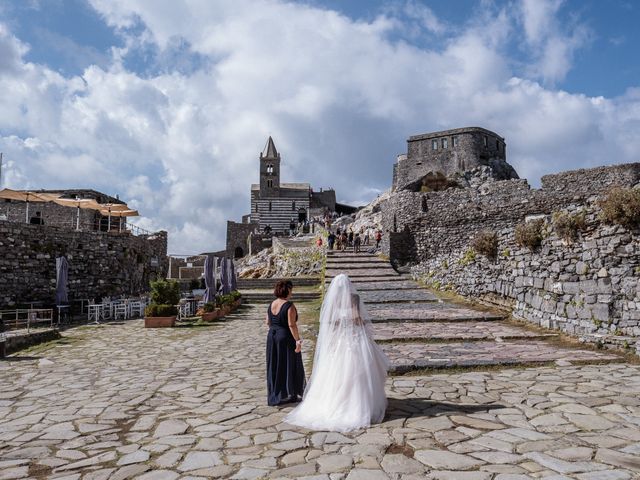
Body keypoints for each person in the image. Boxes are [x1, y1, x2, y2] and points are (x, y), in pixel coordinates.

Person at [284, 274, 388, 432]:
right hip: (354, 338)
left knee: (337, 371)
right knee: (358, 371)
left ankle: (339, 402)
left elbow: (331, 323)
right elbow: (357, 318)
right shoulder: (354, 298)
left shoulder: (334, 300)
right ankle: (359, 404)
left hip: (341, 340)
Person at [266, 280, 306, 406]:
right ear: (288, 290)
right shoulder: (289, 306)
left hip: (272, 336)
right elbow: (291, 324)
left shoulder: (272, 304)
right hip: (285, 337)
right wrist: (297, 341)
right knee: (289, 363)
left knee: (275, 364)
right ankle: (290, 392)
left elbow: (268, 322)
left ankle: (277, 393)